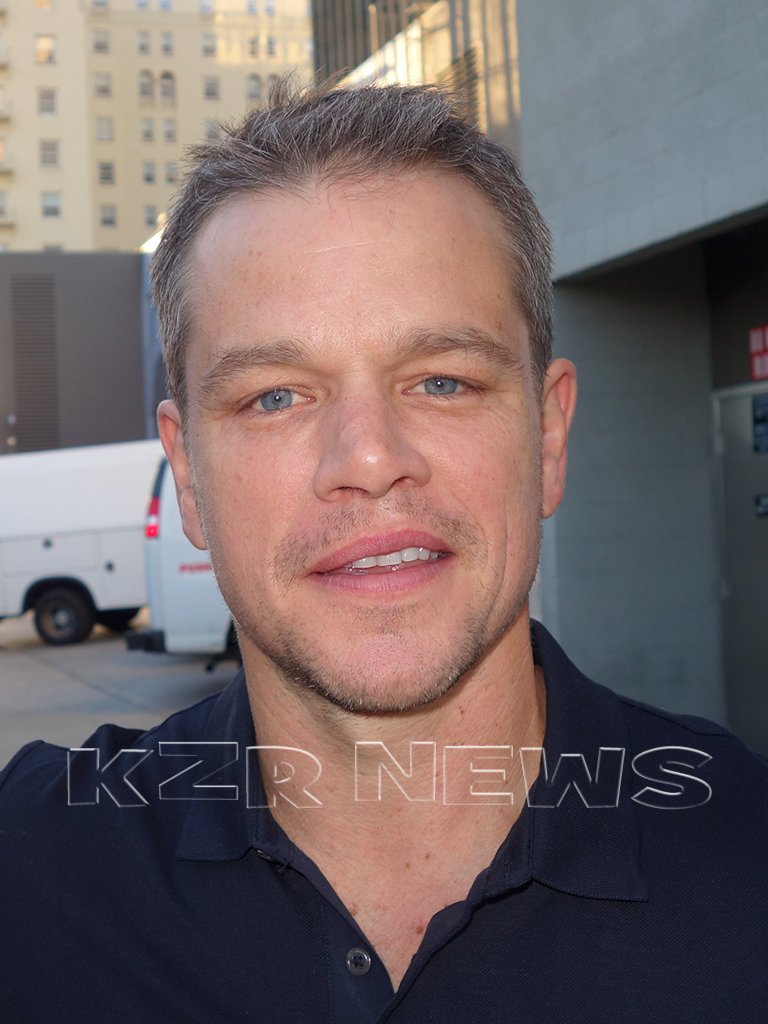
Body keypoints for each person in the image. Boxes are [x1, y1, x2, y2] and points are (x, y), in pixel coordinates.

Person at [1, 81, 767, 1023]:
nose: (368, 459)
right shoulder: (33, 873)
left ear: (548, 438)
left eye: (441, 381)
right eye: (275, 396)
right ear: (188, 475)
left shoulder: (749, 861)